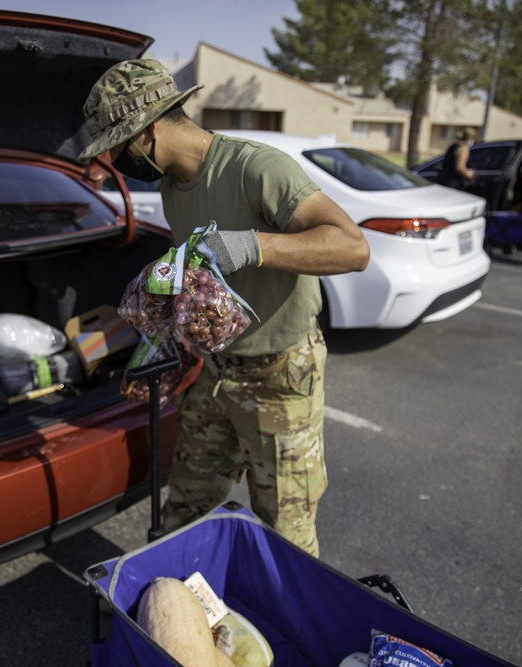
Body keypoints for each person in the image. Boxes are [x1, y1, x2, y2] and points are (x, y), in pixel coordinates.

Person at [78, 59, 370, 557]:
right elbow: (204, 285)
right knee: (183, 510)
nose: (113, 162)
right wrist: (170, 331)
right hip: (214, 373)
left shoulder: (256, 167)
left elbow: (351, 248)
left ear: (146, 132)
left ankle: (286, 629)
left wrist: (252, 245)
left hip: (281, 378)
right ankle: (173, 614)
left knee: (285, 534)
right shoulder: (173, 188)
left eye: (117, 149)